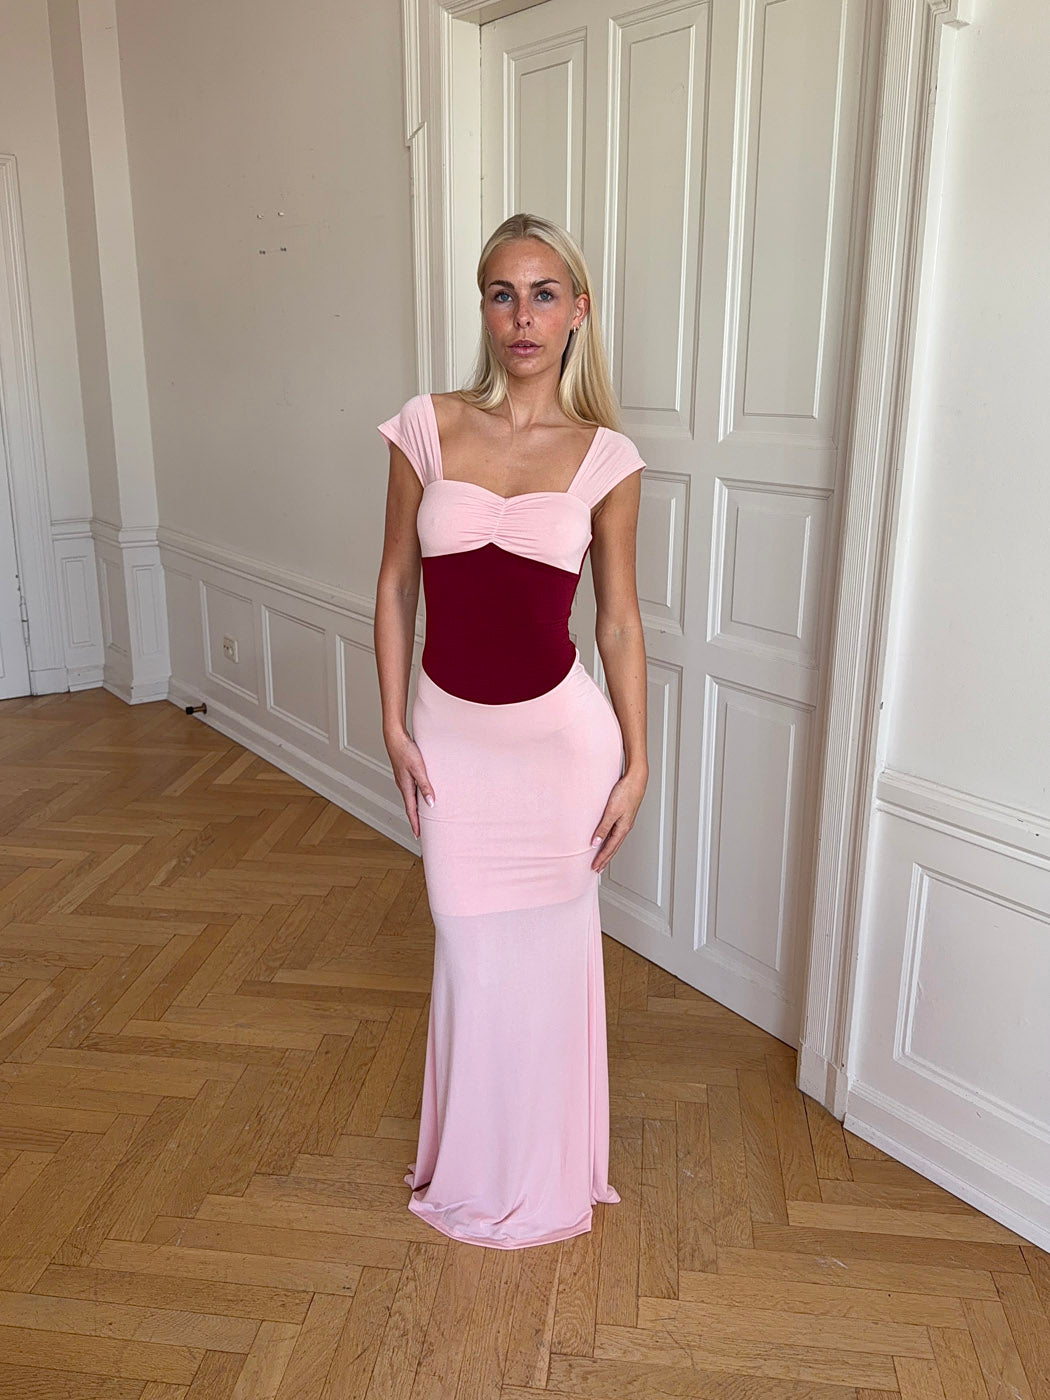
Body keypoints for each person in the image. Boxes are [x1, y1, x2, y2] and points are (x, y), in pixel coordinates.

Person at [373, 212, 648, 1249]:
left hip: (563, 749)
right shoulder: (427, 425)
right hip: (451, 738)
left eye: (543, 294)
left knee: (547, 965)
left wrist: (638, 761)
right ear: (484, 308)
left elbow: (618, 623)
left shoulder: (607, 458)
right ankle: (471, 1166)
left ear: (578, 311)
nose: (522, 316)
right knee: (468, 948)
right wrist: (392, 722)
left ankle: (544, 1174)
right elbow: (395, 583)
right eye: (502, 293)